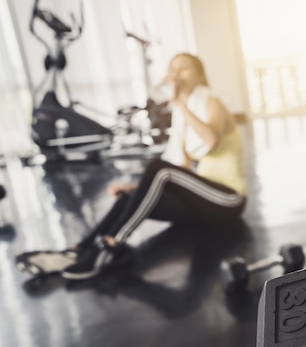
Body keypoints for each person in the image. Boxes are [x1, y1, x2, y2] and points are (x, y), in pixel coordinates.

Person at [16, 53, 247, 280]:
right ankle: (77, 250)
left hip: (228, 200)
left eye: (184, 68)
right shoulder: (181, 113)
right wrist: (136, 188)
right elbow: (181, 167)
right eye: (172, 69)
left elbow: (211, 140)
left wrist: (179, 101)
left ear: (200, 75)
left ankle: (111, 246)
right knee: (128, 197)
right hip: (202, 205)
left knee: (160, 168)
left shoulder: (212, 102)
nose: (176, 74)